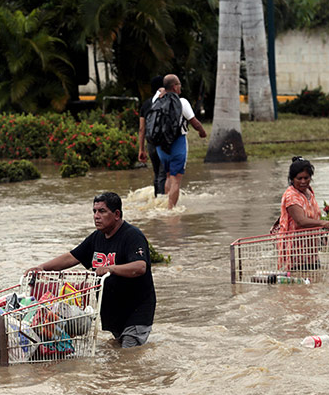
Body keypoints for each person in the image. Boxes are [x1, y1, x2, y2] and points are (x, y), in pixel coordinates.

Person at [25, 192, 156, 348]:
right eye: (94, 211)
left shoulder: (132, 236)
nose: (96, 216)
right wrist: (42, 267)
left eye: (102, 211)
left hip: (137, 310)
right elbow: (71, 257)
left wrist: (110, 268)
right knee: (118, 356)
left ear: (116, 214)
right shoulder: (96, 238)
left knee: (128, 353)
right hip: (115, 312)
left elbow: (140, 267)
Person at [154, 74, 207, 209]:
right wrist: (202, 132)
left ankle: (166, 206)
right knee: (176, 180)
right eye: (179, 85)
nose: (180, 88)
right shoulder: (182, 102)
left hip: (161, 145)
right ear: (174, 87)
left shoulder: (157, 99)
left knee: (167, 176)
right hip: (178, 143)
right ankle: (171, 211)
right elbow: (194, 122)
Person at [275, 156, 329, 270]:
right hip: (295, 251)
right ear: (292, 179)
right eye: (299, 178)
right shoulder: (291, 196)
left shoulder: (309, 191)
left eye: (306, 178)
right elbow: (300, 221)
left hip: (310, 250)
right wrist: (323, 223)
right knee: (298, 283)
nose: (303, 182)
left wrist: (322, 234)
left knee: (313, 283)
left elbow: (313, 215)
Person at [138, 75, 167, 197]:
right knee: (163, 174)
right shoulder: (166, 102)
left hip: (151, 143)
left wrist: (141, 149)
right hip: (164, 143)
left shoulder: (146, 104)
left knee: (156, 173)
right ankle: (161, 200)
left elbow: (141, 129)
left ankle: (157, 198)